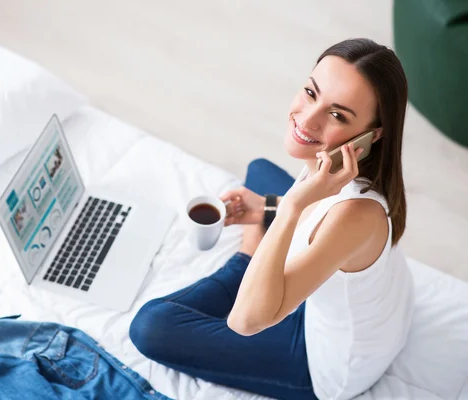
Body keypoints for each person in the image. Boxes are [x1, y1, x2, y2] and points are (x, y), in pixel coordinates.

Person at [129, 38, 414, 400]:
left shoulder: (356, 215)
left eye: (338, 115)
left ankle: (244, 263)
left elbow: (245, 321)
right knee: (259, 170)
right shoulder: (334, 164)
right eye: (311, 92)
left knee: (152, 326)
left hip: (320, 359)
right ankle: (253, 256)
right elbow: (315, 217)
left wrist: (288, 207)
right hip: (358, 303)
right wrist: (266, 208)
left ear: (372, 137)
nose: (307, 120)